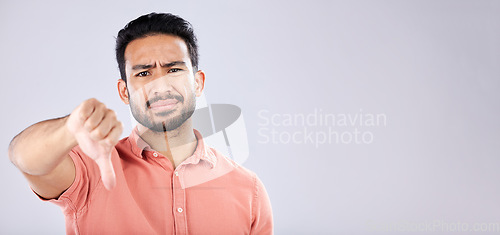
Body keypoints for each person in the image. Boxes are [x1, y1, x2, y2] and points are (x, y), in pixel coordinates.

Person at [8, 12, 273, 234]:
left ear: (198, 82)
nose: (160, 85)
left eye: (173, 69)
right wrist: (68, 129)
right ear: (124, 91)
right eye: (144, 73)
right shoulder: (91, 170)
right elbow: (24, 157)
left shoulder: (249, 190)